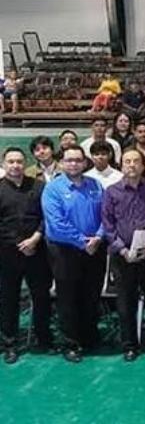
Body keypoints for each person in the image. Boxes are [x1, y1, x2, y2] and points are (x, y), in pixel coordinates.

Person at [41, 145, 106, 363]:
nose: (74, 164)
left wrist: (99, 236)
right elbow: (56, 223)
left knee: (91, 294)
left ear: (85, 163)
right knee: (68, 298)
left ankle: (89, 337)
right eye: (69, 160)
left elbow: (106, 215)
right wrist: (81, 242)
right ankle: (70, 343)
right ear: (61, 163)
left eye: (78, 160)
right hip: (65, 251)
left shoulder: (95, 185)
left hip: (95, 249)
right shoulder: (52, 189)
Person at [101, 148, 145, 362]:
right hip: (123, 256)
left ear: (143, 165)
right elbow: (108, 225)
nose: (131, 165)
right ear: (121, 165)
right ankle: (129, 345)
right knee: (125, 302)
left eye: (136, 161)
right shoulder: (111, 192)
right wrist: (122, 249)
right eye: (127, 161)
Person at [0, 147, 51, 364]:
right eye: (11, 161)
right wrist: (18, 244)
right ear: (3, 164)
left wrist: (35, 239)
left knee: (41, 297)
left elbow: (47, 216)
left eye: (19, 161)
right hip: (7, 254)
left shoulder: (39, 186)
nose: (15, 165)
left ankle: (43, 338)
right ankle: (10, 343)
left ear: (25, 163)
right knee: (9, 299)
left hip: (37, 251)